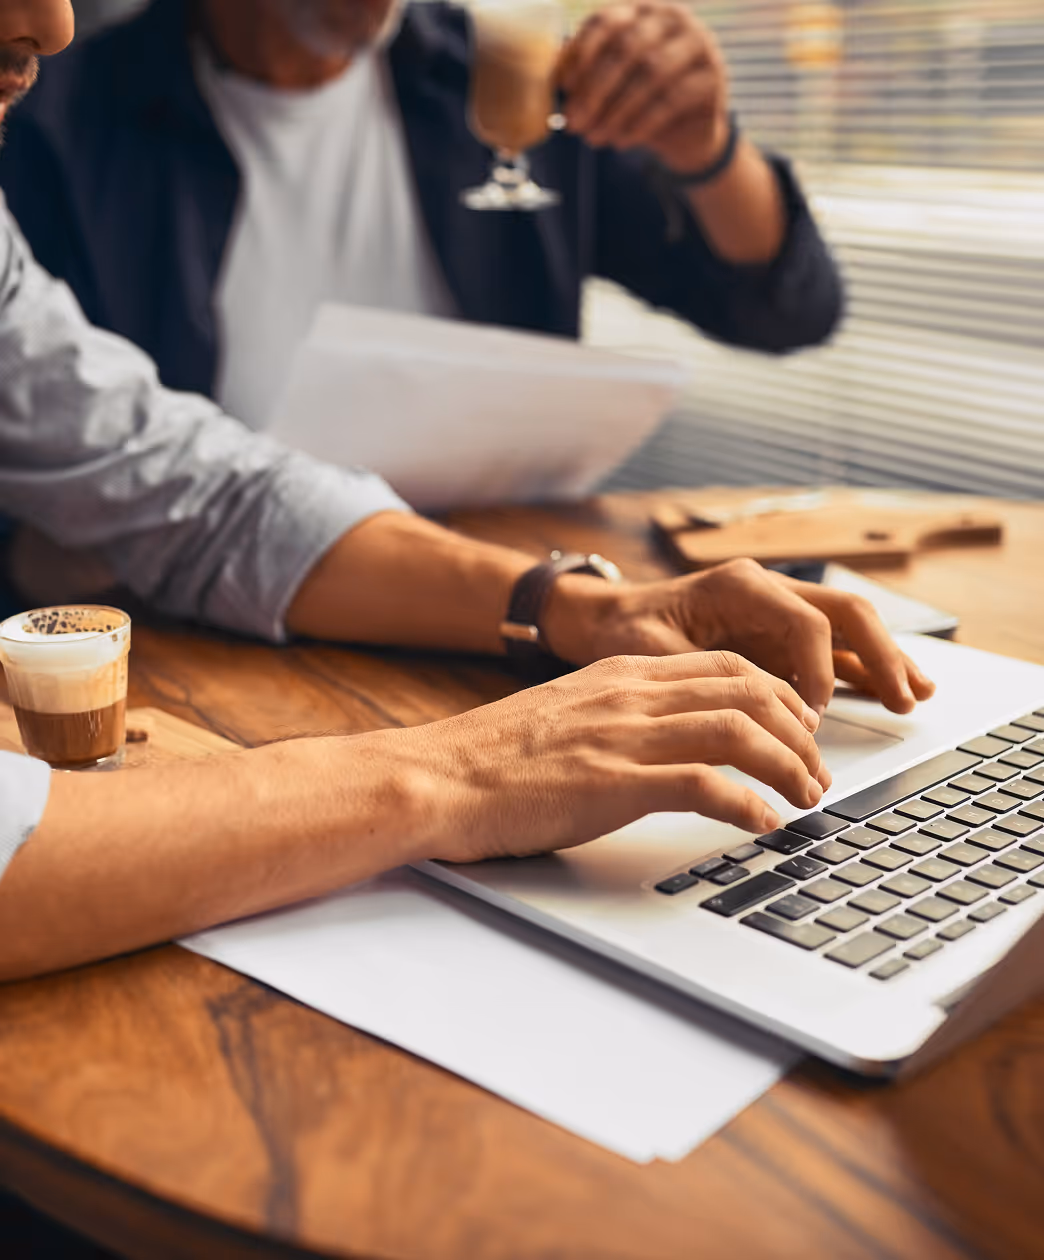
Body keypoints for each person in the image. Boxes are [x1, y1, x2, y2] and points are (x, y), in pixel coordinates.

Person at [0, 0, 935, 989]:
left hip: (405, 599)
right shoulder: (71, 120)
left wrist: (583, 605)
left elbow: (197, 489)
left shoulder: (506, 76)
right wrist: (458, 774)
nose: (53, 25)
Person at [0, 0, 844, 430]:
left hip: (501, 602)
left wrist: (706, 149)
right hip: (219, 632)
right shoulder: (54, 127)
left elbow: (785, 309)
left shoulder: (508, 73)